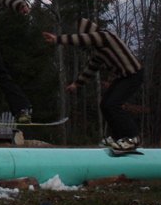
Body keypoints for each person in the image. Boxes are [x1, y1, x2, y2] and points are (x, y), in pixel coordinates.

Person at [42, 19, 143, 152]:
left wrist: (58, 39)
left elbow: (81, 39)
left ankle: (133, 137)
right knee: (105, 104)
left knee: (113, 104)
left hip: (134, 74)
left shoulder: (105, 36)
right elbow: (91, 68)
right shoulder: (99, 51)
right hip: (123, 77)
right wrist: (77, 84)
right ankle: (117, 136)